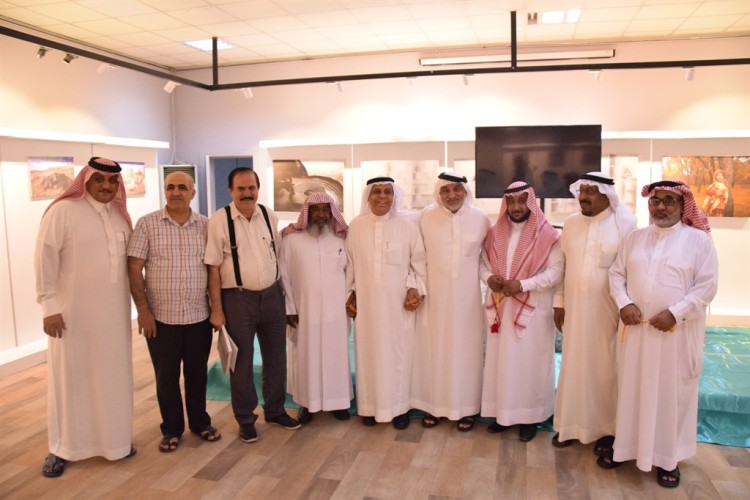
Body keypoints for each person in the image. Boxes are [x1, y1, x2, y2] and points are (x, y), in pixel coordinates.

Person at [602, 180, 718, 489]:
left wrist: (675, 313)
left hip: (674, 336)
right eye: (655, 201)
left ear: (683, 205)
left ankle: (668, 459)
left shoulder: (698, 241)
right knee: (632, 388)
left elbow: (707, 287)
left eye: (669, 200)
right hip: (636, 333)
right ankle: (626, 447)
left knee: (670, 394)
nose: (661, 207)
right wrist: (624, 303)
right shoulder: (635, 238)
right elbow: (616, 274)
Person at [34, 157, 135, 478]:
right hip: (71, 317)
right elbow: (44, 259)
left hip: (115, 319)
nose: (106, 185)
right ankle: (62, 448)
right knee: (70, 380)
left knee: (113, 378)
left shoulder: (119, 216)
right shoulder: (63, 212)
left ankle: (116, 442)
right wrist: (49, 306)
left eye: (112, 181)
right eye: (99, 179)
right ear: (86, 180)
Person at [204, 167, 300, 444]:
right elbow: (213, 268)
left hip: (272, 296)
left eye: (251, 188)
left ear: (258, 189)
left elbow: (277, 255)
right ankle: (245, 419)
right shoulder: (218, 221)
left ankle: (275, 410)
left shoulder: (268, 215)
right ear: (230, 190)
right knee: (242, 362)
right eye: (241, 189)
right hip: (237, 299)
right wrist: (216, 309)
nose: (247, 193)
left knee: (276, 358)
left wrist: (286, 299)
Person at [127, 171, 221, 453]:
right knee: (166, 378)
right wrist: (143, 311)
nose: (176, 192)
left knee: (197, 375)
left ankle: (200, 423)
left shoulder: (206, 226)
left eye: (182, 187)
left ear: (193, 193)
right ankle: (171, 429)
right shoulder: (147, 224)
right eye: (171, 187)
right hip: (160, 320)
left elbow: (213, 270)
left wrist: (216, 309)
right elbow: (134, 268)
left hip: (198, 317)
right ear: (165, 191)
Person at [551, 172, 637, 453]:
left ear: (606, 195)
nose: (584, 197)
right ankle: (570, 425)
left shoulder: (625, 224)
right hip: (575, 310)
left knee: (605, 369)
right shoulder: (571, 224)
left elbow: (631, 272)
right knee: (573, 364)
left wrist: (626, 306)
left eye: (591, 191)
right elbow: (563, 266)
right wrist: (559, 302)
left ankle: (606, 430)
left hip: (608, 313)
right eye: (582, 191)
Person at [480, 181, 563, 442]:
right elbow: (481, 263)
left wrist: (523, 285)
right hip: (501, 307)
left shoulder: (548, 235)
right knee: (501, 362)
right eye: (511, 202)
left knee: (531, 364)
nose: (516, 207)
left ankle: (531, 417)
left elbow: (556, 272)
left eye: (521, 201)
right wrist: (488, 277)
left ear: (531, 203)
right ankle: (503, 415)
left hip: (534, 311)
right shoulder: (494, 233)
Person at [345, 177, 427, 429]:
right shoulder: (356, 227)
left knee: (399, 355)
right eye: (377, 192)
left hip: (398, 306)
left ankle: (399, 408)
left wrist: (413, 288)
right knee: (368, 354)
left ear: (394, 196)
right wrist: (351, 293)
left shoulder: (407, 227)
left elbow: (419, 264)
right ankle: (369, 407)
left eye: (387, 192)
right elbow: (350, 266)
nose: (382, 196)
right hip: (368, 306)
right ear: (368, 197)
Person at [411, 171, 490, 432]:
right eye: (445, 190)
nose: (451, 195)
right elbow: (416, 257)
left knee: (466, 352)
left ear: (466, 192)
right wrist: (416, 287)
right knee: (433, 350)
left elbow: (484, 260)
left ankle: (466, 408)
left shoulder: (480, 219)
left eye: (457, 189)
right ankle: (433, 405)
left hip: (467, 301)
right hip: (433, 298)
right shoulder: (425, 217)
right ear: (438, 193)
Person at [279, 192, 353, 423]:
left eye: (325, 210)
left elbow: (351, 273)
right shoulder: (291, 240)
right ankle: (307, 404)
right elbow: (284, 274)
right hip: (304, 310)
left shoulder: (342, 239)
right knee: (306, 356)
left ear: (332, 213)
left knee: (336, 355)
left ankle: (339, 402)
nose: (321, 215)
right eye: (315, 210)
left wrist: (350, 299)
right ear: (306, 213)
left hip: (336, 310)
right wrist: (290, 307)